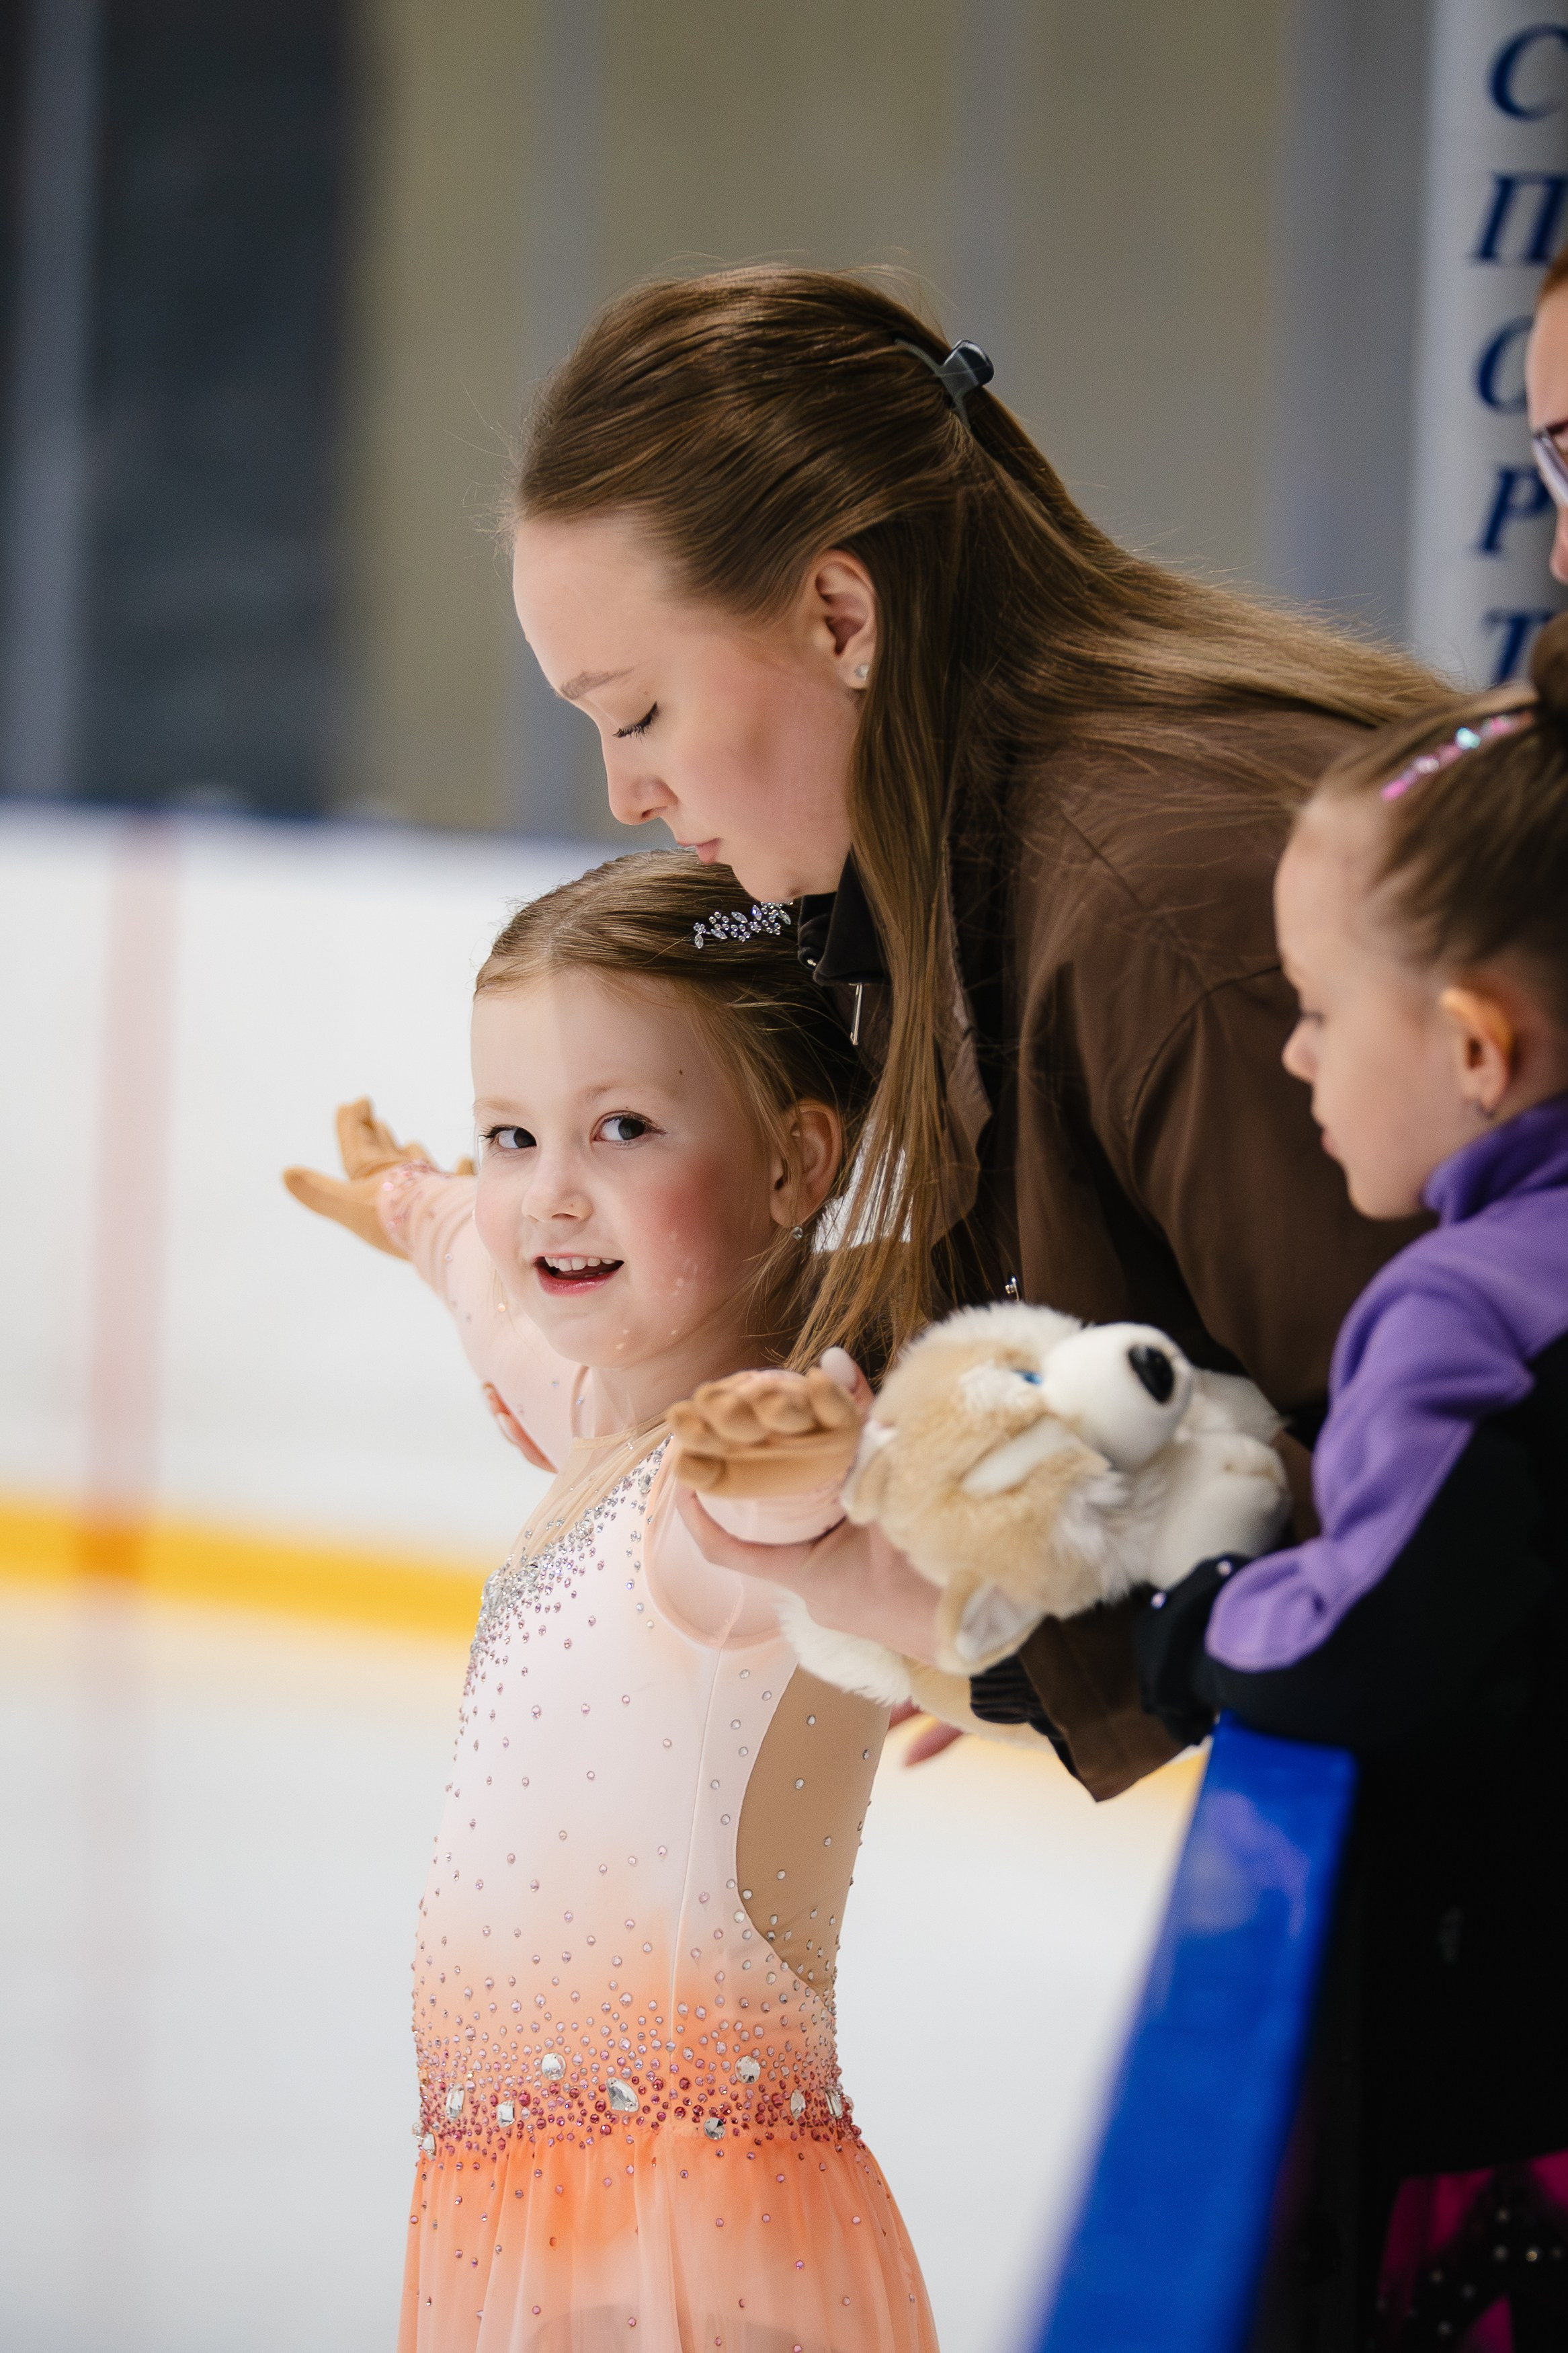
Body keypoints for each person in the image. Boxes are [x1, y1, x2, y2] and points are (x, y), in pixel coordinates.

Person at [504, 264, 1443, 1800]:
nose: (626, 796)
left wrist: (995, 1619)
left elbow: (1445, 1500)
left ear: (838, 613)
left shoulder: (1165, 914)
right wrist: (969, 1570)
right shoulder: (968, 874)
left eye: (640, 712)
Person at [288, 855, 937, 2353]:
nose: (550, 1190)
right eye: (510, 1133)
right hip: (520, 2236)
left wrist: (831, 1444)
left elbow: (804, 1486)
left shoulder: (737, 1499)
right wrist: (415, 1202)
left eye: (622, 1129)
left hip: (683, 2252)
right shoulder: (604, 1425)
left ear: (793, 1164)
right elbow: (493, 1282)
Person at [1135, 616, 1568, 2344]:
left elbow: (1371, 1636)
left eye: (1315, 1011)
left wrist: (1192, 1617)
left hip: (1521, 2126)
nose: (1298, 1059)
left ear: (1476, 1045)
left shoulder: (1469, 1304)